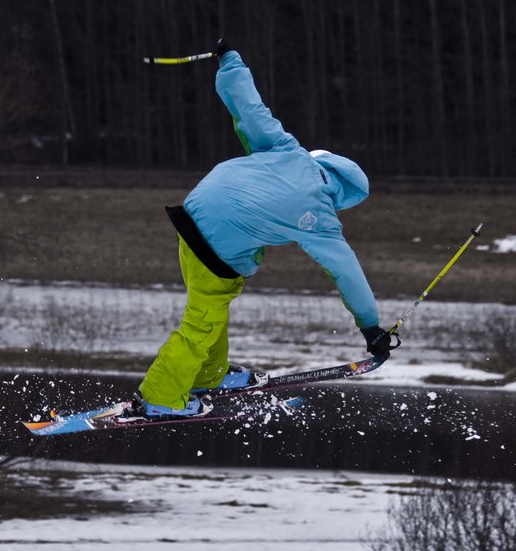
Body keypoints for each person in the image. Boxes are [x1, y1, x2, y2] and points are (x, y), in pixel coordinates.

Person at [128, 39, 391, 419]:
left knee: (213, 305)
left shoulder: (288, 149)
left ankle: (209, 376)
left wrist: (230, 61)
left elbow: (249, 106)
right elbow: (347, 273)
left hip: (193, 212)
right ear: (342, 196)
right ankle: (161, 397)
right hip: (216, 243)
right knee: (201, 321)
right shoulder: (321, 217)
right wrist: (371, 329)